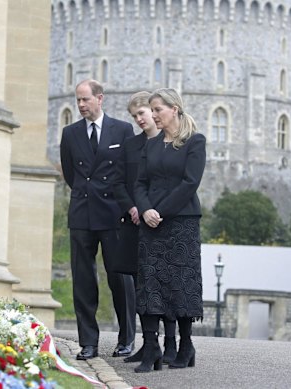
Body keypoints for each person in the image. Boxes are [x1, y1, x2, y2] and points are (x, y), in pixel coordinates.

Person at [59, 79, 136, 360]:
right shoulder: (70, 134)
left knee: (120, 278)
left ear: (99, 98)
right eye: (77, 100)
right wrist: (85, 193)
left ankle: (127, 339)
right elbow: (70, 173)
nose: (80, 105)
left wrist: (126, 207)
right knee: (83, 280)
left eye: (85, 100)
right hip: (82, 212)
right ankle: (88, 342)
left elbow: (129, 172)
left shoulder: (123, 130)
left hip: (114, 214)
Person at [132, 88, 206, 373]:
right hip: (151, 223)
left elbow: (190, 183)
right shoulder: (151, 145)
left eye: (157, 109)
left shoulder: (194, 142)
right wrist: (146, 209)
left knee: (180, 282)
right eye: (151, 110)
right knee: (150, 282)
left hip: (181, 222)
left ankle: (186, 346)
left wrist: (159, 212)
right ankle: (152, 346)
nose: (153, 115)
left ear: (174, 109)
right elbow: (139, 183)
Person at [113, 91, 177, 365]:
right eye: (134, 115)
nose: (139, 119)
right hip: (136, 223)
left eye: (142, 113)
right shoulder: (130, 146)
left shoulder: (172, 143)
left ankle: (171, 343)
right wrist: (133, 208)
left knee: (167, 283)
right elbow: (118, 183)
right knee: (141, 285)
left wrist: (155, 210)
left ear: (154, 111)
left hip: (163, 221)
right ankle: (148, 343)